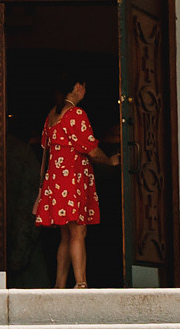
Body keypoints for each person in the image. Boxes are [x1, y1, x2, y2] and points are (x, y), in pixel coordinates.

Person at [34, 80, 118, 289]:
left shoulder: (52, 116)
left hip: (56, 181)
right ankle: (81, 283)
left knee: (66, 235)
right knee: (79, 234)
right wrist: (110, 160)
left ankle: (59, 285)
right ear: (78, 87)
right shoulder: (75, 114)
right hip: (72, 181)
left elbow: (47, 148)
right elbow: (92, 151)